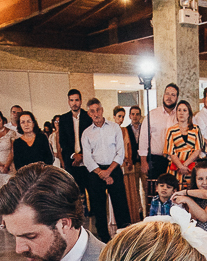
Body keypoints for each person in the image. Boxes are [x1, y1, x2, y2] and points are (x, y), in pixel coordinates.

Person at [81, 97, 132, 242]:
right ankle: (103, 239)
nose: (96, 113)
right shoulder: (86, 133)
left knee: (121, 204)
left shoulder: (115, 128)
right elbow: (87, 158)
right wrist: (101, 173)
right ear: (89, 114)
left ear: (102, 110)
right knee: (98, 207)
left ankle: (125, 237)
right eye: (92, 111)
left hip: (113, 168)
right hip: (96, 172)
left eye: (98, 110)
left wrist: (109, 171)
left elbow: (120, 152)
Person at [139, 83, 179, 181]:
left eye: (173, 95)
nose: (169, 97)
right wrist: (144, 162)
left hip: (177, 161)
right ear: (163, 95)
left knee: (174, 191)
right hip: (156, 160)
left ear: (177, 98)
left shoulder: (181, 114)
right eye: (167, 94)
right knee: (155, 192)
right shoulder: (152, 115)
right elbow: (143, 139)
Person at [56, 89, 91, 192]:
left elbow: (92, 140)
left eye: (76, 100)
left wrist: (82, 155)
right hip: (71, 163)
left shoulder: (88, 117)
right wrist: (74, 155)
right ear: (68, 102)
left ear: (80, 101)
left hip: (88, 162)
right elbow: (63, 141)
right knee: (75, 195)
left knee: (92, 193)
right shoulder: (63, 119)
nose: (74, 103)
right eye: (72, 100)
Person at [114, 106, 143, 223]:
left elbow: (129, 146)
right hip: (124, 164)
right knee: (131, 190)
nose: (135, 116)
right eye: (133, 114)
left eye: (137, 114)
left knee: (142, 189)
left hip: (139, 163)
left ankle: (141, 213)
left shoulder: (142, 128)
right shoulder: (123, 129)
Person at [164, 99, 203, 178]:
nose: (181, 113)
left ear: (189, 113)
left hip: (191, 167)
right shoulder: (171, 130)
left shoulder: (196, 129)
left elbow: (198, 149)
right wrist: (180, 166)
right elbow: (171, 152)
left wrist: (185, 165)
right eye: (179, 110)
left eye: (184, 110)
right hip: (175, 168)